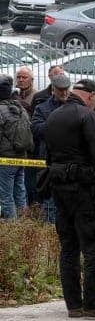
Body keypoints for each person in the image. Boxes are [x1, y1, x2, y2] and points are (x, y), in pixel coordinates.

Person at [41, 79, 95, 320]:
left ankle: (73, 304)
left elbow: (48, 155)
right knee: (94, 245)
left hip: (59, 188)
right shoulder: (88, 116)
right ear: (92, 96)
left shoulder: (53, 116)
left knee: (68, 247)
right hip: (84, 191)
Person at [31, 73, 72, 223]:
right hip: (49, 162)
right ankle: (50, 236)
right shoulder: (42, 108)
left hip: (71, 163)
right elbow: (35, 129)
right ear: (53, 90)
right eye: (61, 90)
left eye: (66, 89)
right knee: (50, 204)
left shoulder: (75, 106)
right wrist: (57, 125)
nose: (64, 93)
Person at [0, 75, 34, 219]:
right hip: (22, 156)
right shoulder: (20, 107)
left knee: (6, 196)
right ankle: (24, 225)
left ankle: (12, 229)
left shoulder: (1, 110)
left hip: (6, 158)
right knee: (20, 192)